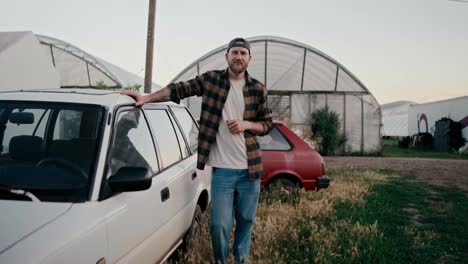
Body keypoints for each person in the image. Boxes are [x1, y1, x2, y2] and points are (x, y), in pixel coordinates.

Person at [122, 37, 272, 263]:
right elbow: (179, 89)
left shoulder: (258, 89)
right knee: (219, 224)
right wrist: (147, 98)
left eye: (243, 53)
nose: (238, 57)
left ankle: (241, 259)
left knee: (245, 222)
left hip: (250, 171)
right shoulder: (212, 81)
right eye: (235, 53)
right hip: (222, 171)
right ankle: (221, 260)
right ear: (227, 57)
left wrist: (246, 124)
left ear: (249, 59)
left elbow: (267, 124)